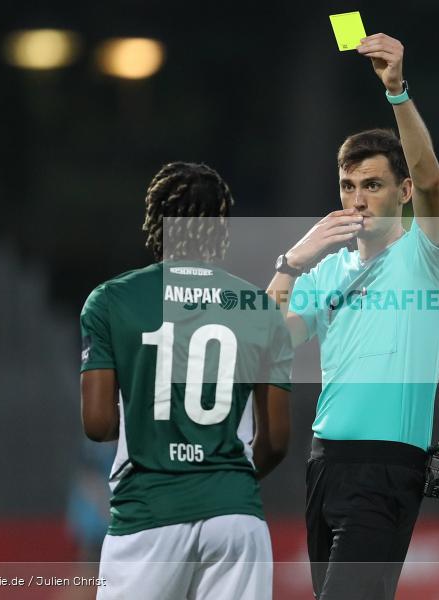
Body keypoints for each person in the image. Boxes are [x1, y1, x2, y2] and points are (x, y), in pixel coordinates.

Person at [266, 34, 439, 600]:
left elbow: (432, 180)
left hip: (386, 468)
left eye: (372, 185)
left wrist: (397, 93)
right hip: (324, 464)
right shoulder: (325, 271)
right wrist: (289, 264)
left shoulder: (425, 254)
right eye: (348, 186)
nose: (357, 199)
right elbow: (265, 344)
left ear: (400, 192)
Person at [80, 161, 293, 600]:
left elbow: (98, 425)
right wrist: (222, 477)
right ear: (222, 230)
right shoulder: (260, 309)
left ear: (155, 223)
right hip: (235, 517)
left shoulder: (111, 301)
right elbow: (277, 442)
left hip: (148, 515)